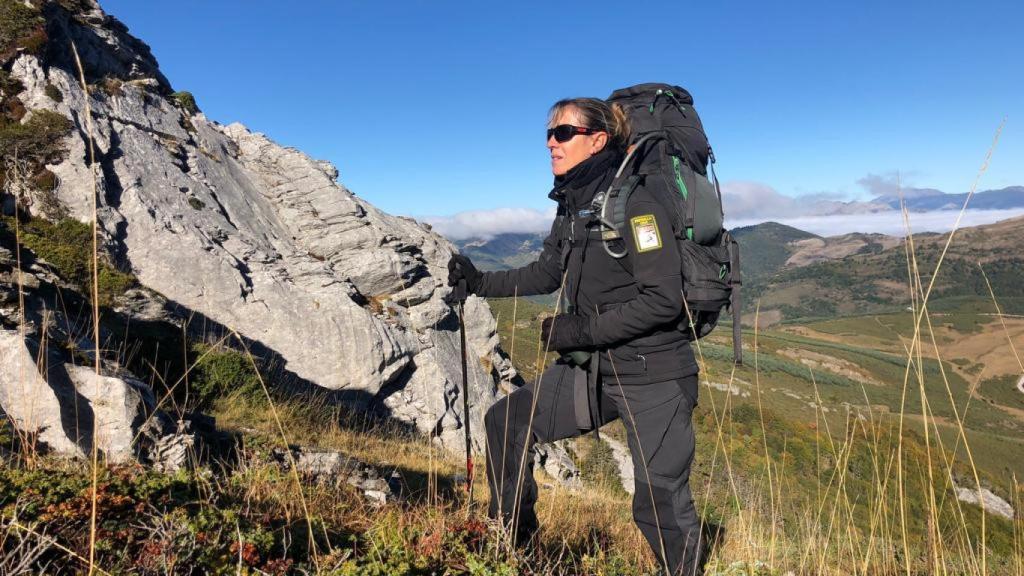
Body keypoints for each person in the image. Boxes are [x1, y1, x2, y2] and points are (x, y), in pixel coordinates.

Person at [447, 97, 704, 575]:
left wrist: (577, 329)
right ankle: (508, 549)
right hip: (594, 369)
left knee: (659, 503)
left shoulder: (638, 204)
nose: (551, 142)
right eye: (549, 133)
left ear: (597, 140)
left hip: (653, 373)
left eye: (563, 132)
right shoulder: (576, 203)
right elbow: (547, 272)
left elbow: (664, 300)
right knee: (506, 424)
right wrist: (480, 281)